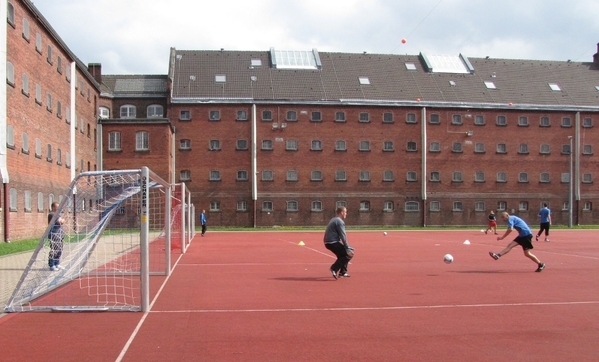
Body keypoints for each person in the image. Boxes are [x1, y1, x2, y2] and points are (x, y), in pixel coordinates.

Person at [323, 206, 354, 279]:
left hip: (328, 242)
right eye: (345, 212)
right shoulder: (339, 222)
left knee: (342, 256)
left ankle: (343, 273)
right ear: (342, 212)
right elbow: (343, 236)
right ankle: (334, 268)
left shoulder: (334, 219)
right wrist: (347, 247)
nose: (346, 214)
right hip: (332, 242)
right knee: (349, 254)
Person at [47, 202, 66, 271]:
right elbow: (60, 221)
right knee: (54, 250)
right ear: (53, 207)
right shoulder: (52, 214)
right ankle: (51, 265)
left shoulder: (58, 214)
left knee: (59, 250)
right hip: (54, 235)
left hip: (60, 235)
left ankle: (57, 263)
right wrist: (63, 220)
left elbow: (62, 221)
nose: (59, 208)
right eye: (57, 207)